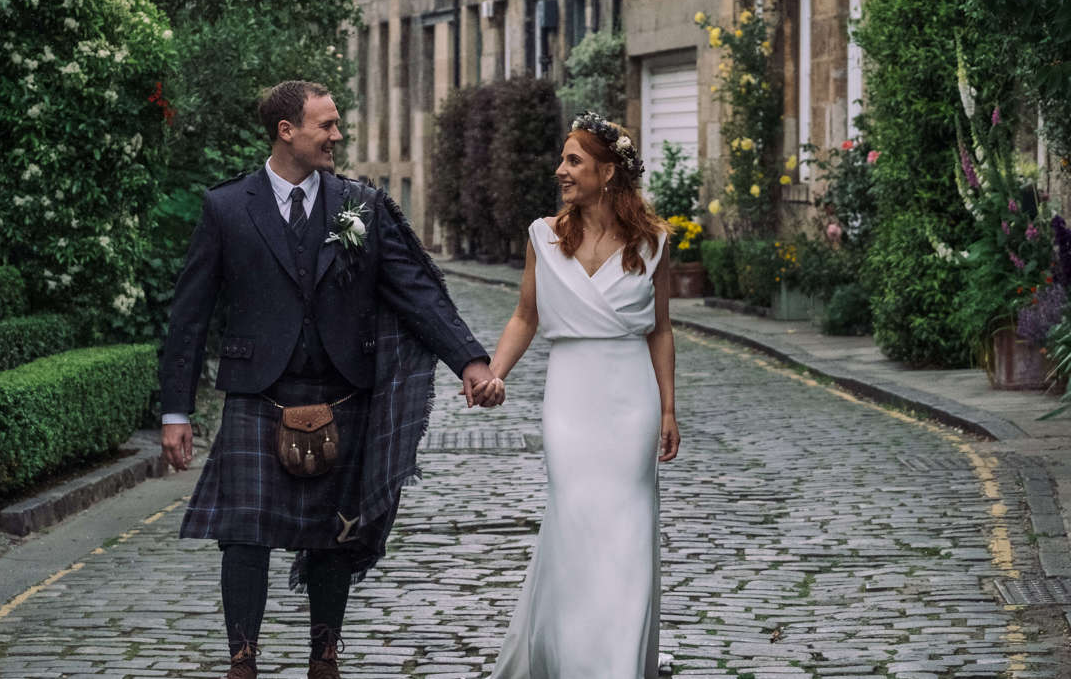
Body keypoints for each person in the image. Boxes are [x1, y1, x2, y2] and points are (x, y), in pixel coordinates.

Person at [158, 80, 505, 679]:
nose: (337, 136)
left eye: (337, 125)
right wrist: (175, 412)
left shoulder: (360, 206)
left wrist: (471, 360)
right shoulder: (228, 207)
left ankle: (324, 656)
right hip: (257, 394)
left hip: (342, 391)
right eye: (326, 126)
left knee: (334, 535)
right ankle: (242, 659)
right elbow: (190, 316)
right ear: (286, 131)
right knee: (243, 534)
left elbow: (415, 290)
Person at [484, 112, 681, 678]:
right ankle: (568, 656)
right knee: (573, 518)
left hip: (630, 400)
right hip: (569, 397)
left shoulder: (653, 242)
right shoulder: (544, 237)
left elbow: (661, 330)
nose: (561, 170)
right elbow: (525, 315)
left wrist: (668, 408)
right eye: (563, 159)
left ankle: (616, 662)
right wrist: (496, 372)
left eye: (574, 160)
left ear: (607, 171)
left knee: (625, 525)